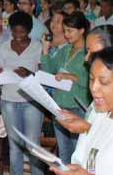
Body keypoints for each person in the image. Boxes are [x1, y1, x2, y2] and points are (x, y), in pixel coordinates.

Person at [51, 48, 113, 175]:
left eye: (103, 82)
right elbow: (93, 161)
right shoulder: (102, 116)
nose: (93, 88)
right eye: (91, 79)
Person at [0, 11, 44, 175]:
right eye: (14, 31)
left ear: (29, 31)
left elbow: (45, 74)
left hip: (31, 101)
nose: (17, 36)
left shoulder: (37, 46)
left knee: (32, 145)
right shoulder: (4, 46)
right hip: (8, 99)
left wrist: (30, 73)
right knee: (15, 145)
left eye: (22, 32)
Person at [41, 12, 90, 164]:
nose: (66, 34)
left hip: (77, 106)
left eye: (70, 31)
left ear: (81, 30)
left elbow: (90, 81)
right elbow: (49, 70)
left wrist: (71, 77)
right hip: (60, 105)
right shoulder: (65, 49)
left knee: (77, 152)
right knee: (64, 150)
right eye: (65, 30)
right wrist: (45, 49)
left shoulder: (88, 53)